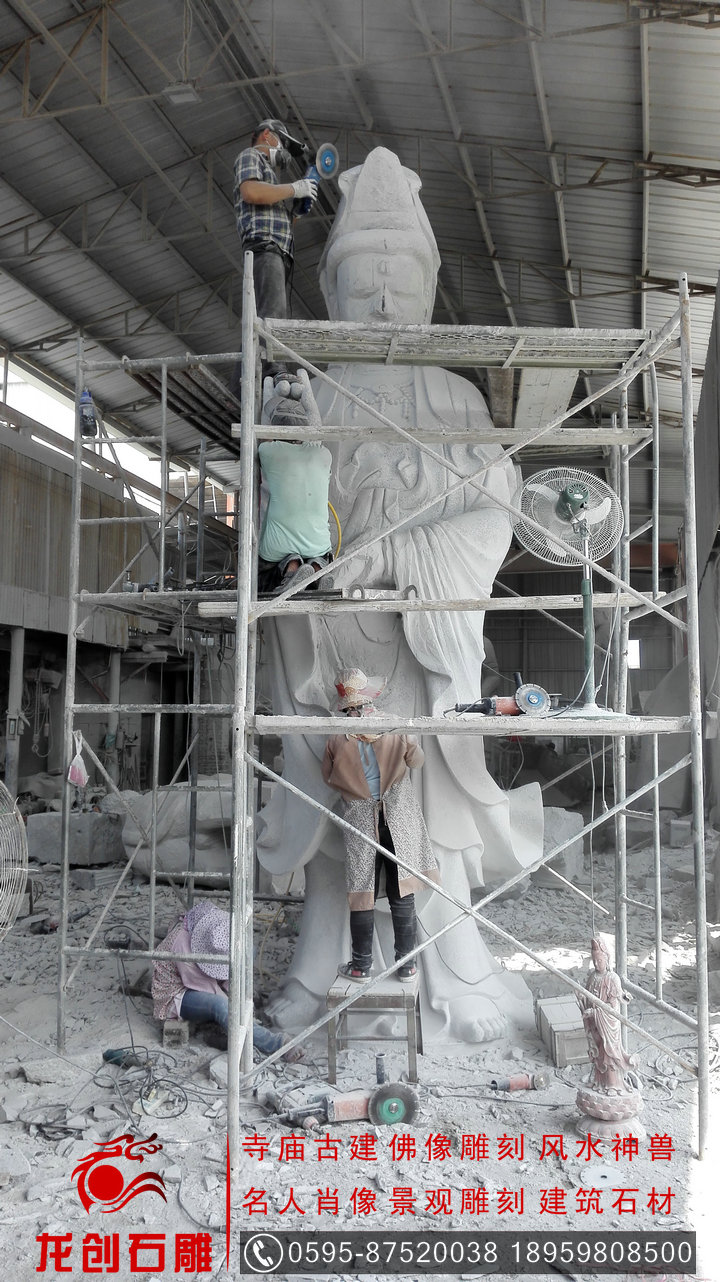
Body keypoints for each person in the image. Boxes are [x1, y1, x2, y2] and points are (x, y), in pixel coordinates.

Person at [257, 148, 543, 1045]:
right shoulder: (311, 388)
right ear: (331, 289)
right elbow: (280, 514)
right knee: (332, 800)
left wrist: (400, 556)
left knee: (430, 816)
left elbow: (495, 511)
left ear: (428, 285)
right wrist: (292, 466)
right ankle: (320, 965)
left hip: (424, 629)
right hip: (331, 634)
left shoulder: (455, 394)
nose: (381, 294)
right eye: (361, 276)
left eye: (400, 275)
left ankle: (453, 967)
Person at [322, 668, 440, 982]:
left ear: (346, 705)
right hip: (397, 817)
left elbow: (328, 777)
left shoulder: (336, 736)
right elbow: (417, 761)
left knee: (362, 892)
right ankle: (407, 965)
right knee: (403, 889)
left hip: (361, 819)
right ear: (369, 697)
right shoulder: (395, 725)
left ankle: (361, 966)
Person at [232, 118, 318, 406]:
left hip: (276, 249)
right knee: (272, 312)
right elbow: (251, 192)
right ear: (267, 135)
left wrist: (297, 211)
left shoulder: (271, 179)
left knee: (263, 316)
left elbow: (278, 219)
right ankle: (273, 369)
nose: (282, 150)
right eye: (281, 142)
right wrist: (294, 188)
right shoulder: (251, 157)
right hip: (264, 247)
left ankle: (241, 383)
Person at [151, 902, 303, 1061]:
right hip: (177, 993)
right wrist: (241, 1011)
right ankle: (277, 1044)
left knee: (247, 957)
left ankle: (239, 1028)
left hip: (199, 981)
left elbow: (229, 974)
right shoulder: (181, 944)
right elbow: (208, 989)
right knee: (221, 1006)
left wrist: (242, 998)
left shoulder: (215, 927)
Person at [257, 370, 334, 595]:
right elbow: (315, 422)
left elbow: (263, 424)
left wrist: (269, 384)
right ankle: (318, 569)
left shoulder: (269, 452)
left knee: (268, 559)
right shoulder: (323, 454)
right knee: (319, 548)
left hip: (277, 546)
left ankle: (292, 568)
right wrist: (303, 383)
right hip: (318, 542)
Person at [577, 936, 635, 1094]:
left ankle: (614, 1085)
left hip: (607, 1023)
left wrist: (595, 1012)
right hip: (595, 1023)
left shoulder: (612, 978)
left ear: (607, 960)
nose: (597, 964)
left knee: (609, 1053)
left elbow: (613, 1007)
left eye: (600, 961)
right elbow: (588, 997)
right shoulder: (592, 977)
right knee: (598, 1053)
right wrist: (582, 998)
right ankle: (599, 1082)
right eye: (594, 961)